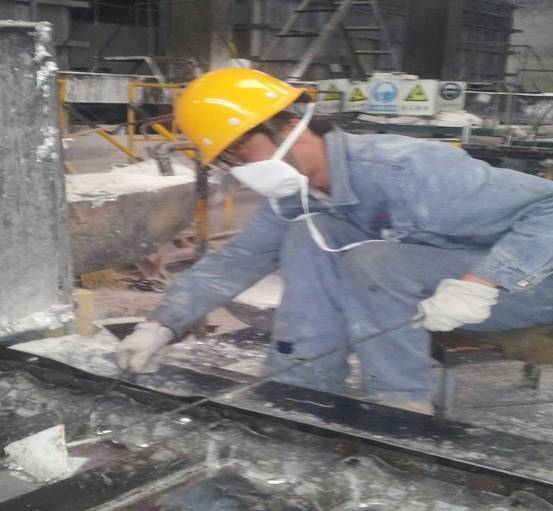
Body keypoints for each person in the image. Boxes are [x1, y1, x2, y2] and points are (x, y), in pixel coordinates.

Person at [116, 68, 553, 415]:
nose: (241, 167)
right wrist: (162, 324)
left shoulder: (407, 169)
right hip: (438, 287)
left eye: (241, 149)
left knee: (374, 261)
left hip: (528, 286)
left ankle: (401, 403)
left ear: (290, 126)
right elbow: (238, 260)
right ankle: (304, 385)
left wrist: (483, 281)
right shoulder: (297, 196)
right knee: (310, 234)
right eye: (229, 159)